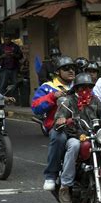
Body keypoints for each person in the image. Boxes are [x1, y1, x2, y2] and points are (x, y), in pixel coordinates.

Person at [50, 73, 101, 203]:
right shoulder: (68, 101)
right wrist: (62, 120)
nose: (85, 90)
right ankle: (65, 185)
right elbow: (58, 119)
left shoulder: (95, 100)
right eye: (82, 87)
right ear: (76, 89)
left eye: (88, 87)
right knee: (74, 146)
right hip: (75, 135)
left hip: (95, 136)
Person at [32, 56, 76, 191]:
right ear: (58, 72)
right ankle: (51, 175)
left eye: (73, 68)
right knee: (59, 138)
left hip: (80, 126)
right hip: (59, 127)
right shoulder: (48, 87)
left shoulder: (80, 86)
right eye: (66, 68)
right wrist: (52, 96)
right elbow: (35, 107)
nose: (71, 71)